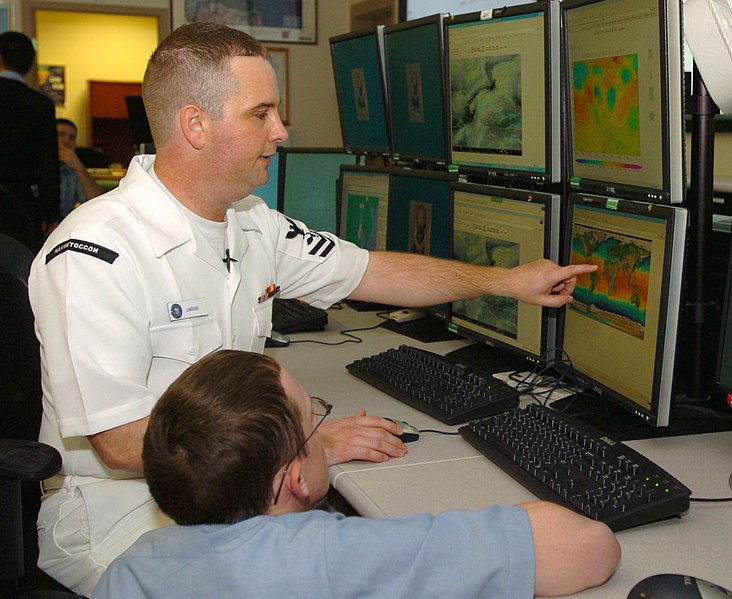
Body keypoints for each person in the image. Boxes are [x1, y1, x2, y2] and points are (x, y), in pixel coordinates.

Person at [29, 22, 597, 596]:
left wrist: (504, 281)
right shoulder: (97, 254)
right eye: (261, 113)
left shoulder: (251, 222)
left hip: (239, 496)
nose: (280, 131)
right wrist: (303, 444)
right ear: (195, 125)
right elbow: (121, 441)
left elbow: (371, 271)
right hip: (122, 519)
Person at [92, 350, 621, 598]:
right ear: (294, 478)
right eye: (314, 419)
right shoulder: (328, 557)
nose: (324, 427)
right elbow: (589, 548)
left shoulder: (130, 570)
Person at [0, 31, 60, 247]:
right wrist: (51, 212)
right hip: (19, 205)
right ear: (31, 63)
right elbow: (47, 163)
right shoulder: (39, 104)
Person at [56, 118, 104, 217]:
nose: (67, 141)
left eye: (72, 137)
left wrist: (79, 167)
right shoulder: (30, 166)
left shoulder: (73, 171)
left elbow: (99, 203)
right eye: (61, 135)